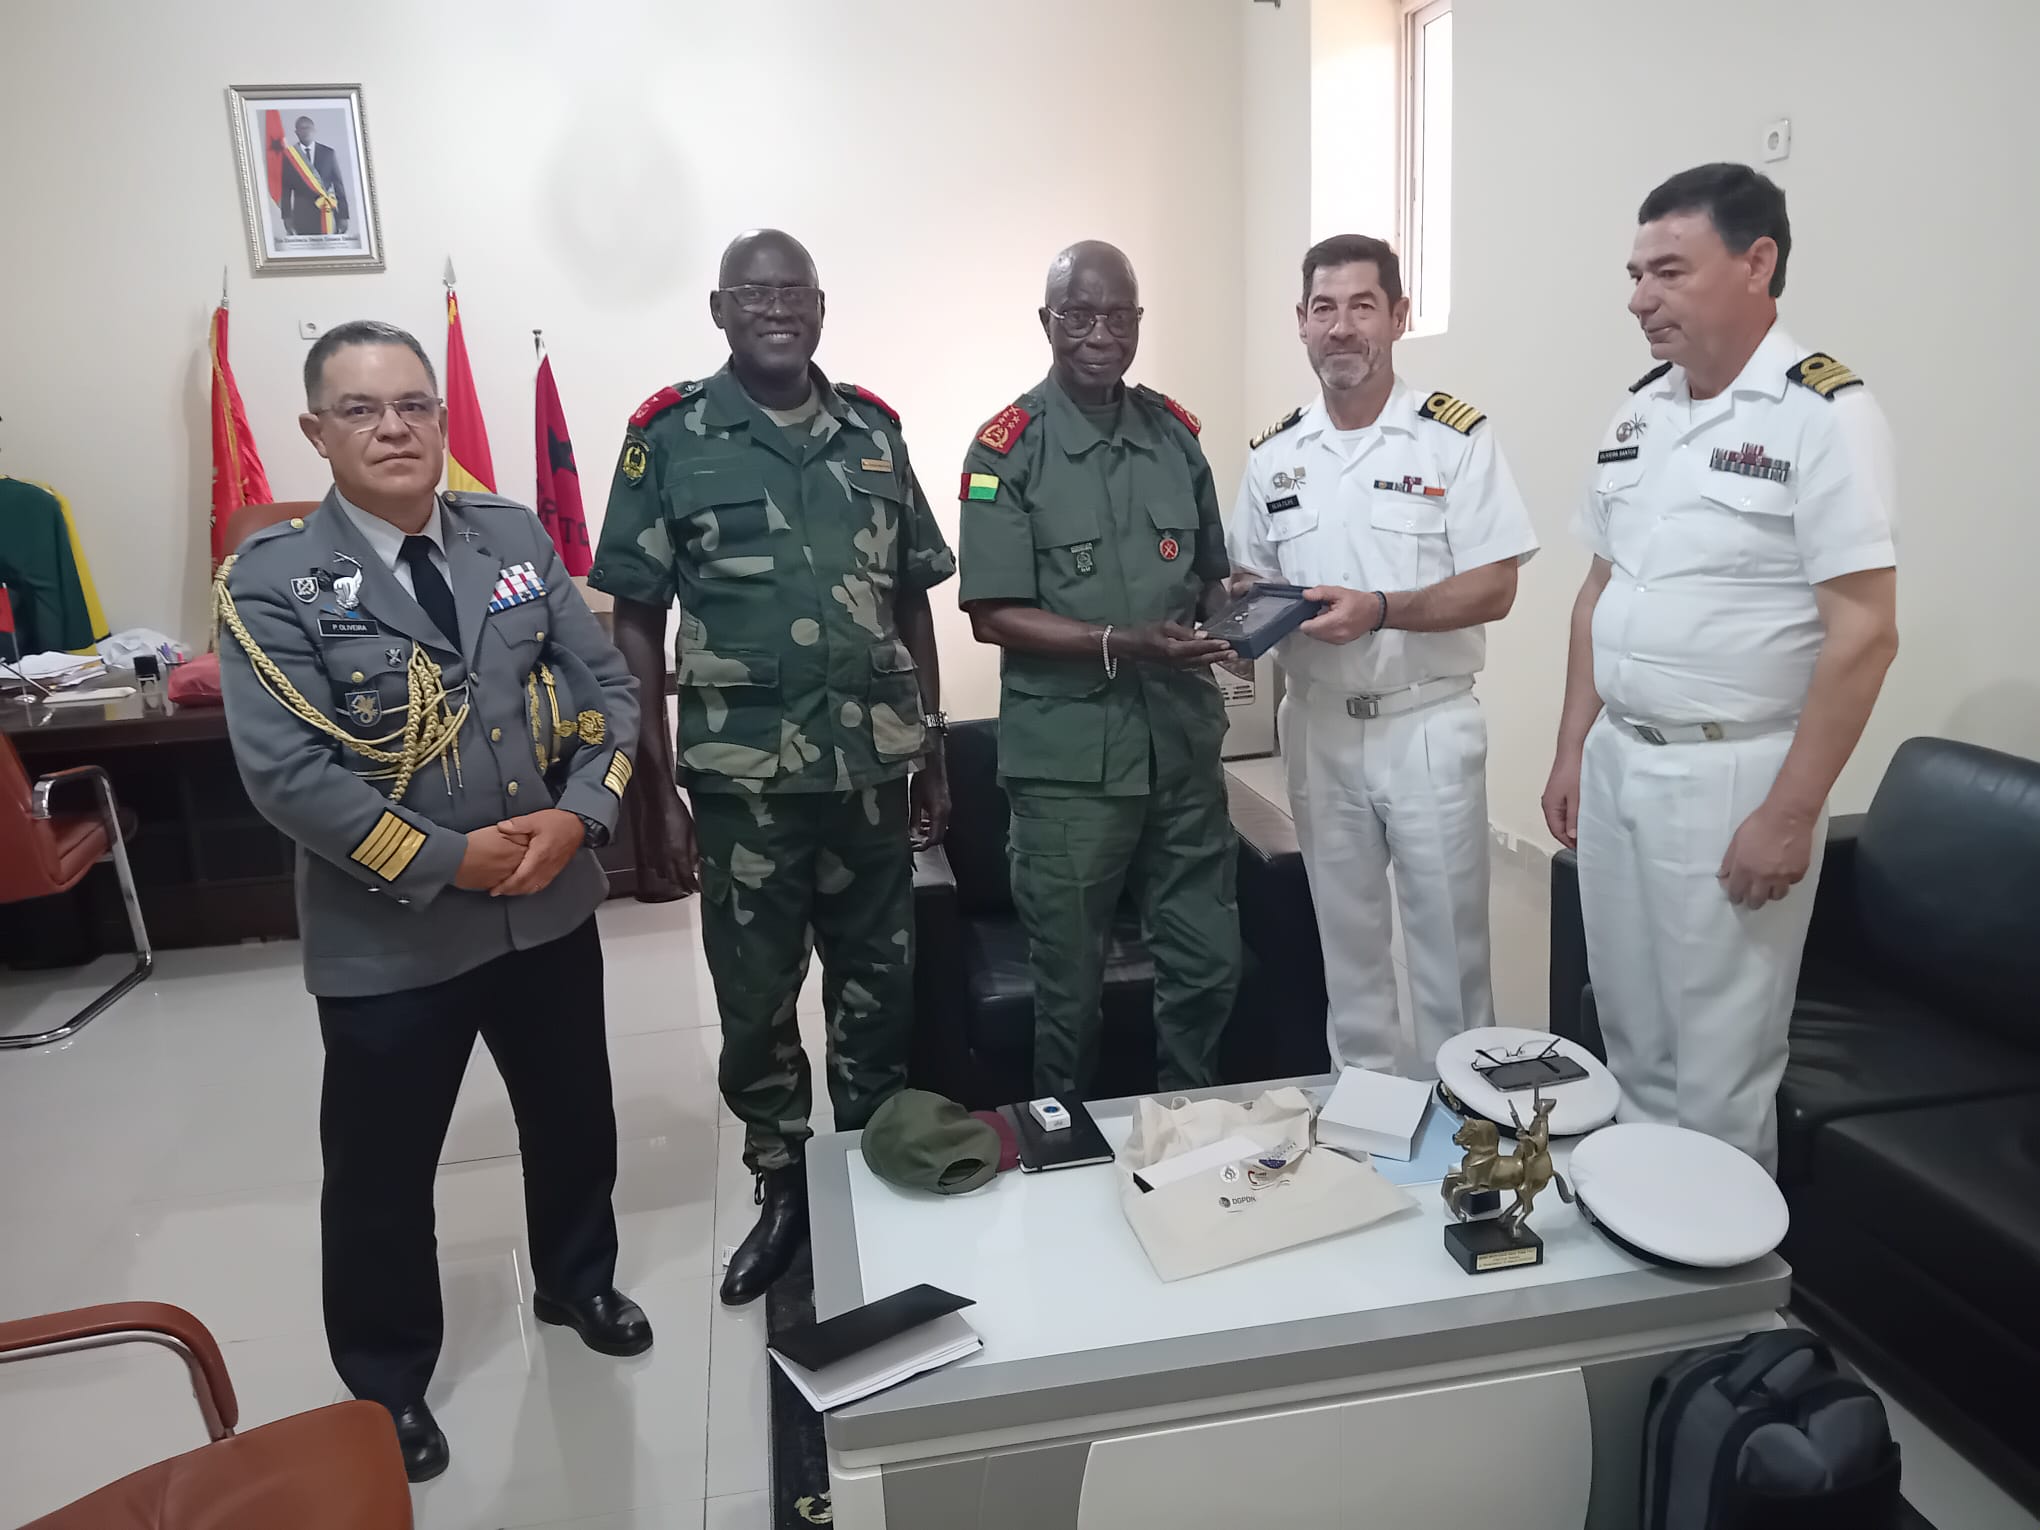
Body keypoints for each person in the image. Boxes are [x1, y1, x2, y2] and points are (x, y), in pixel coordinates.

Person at [215, 320, 650, 1482]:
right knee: (382, 1173)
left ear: (442, 421)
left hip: (548, 903)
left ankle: (577, 1279)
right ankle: (388, 1382)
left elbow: (607, 689)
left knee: (573, 1115)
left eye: (415, 405)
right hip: (391, 936)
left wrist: (582, 816)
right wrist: (448, 861)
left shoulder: (510, 539)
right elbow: (288, 777)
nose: (395, 427)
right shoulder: (272, 584)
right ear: (317, 432)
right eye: (361, 410)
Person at [590, 229, 954, 1306]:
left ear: (822, 306)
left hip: (868, 778)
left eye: (792, 292)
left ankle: (871, 1166)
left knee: (878, 987)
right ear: (719, 311)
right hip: (744, 783)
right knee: (755, 1002)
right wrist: (653, 788)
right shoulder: (673, 438)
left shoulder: (874, 436)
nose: (775, 310)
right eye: (753, 295)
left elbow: (912, 600)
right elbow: (635, 623)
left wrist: (928, 746)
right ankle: (783, 1182)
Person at [1541, 164, 1899, 1172]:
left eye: (1668, 272)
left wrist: (1790, 812)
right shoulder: (1640, 414)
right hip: (1621, 763)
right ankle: (1656, 1258)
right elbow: (1596, 593)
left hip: (1732, 773)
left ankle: (1732, 1302)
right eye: (1634, 273)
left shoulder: (1823, 416)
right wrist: (1574, 746)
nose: (1638, 298)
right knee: (1633, 1037)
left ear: (1758, 263)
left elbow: (1866, 633)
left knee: (1719, 1063)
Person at [1229, 235, 1539, 1077]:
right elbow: (1251, 585)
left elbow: (1495, 587)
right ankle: (1365, 1117)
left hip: (1425, 724)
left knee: (1449, 951)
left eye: (1362, 306)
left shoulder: (1452, 441)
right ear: (1300, 323)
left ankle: (1468, 1131)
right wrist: (1230, 617)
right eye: (1323, 309)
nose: (1341, 327)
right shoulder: (1274, 455)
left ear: (1398, 317)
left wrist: (1383, 612)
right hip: (1318, 727)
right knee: (1348, 943)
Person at [957, 240, 1241, 1098]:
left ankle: (1191, 1126)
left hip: (1181, 752)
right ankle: (1066, 1142)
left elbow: (1210, 578)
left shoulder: (1175, 437)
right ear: (1046, 322)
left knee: (1206, 963)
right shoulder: (1007, 450)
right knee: (1067, 984)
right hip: (1070, 767)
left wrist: (1242, 609)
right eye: (1077, 316)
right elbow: (992, 614)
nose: (1098, 335)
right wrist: (1124, 643)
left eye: (1118, 316)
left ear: (1139, 323)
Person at [280, 114, 350, 236]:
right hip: (301, 216)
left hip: (327, 212)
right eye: (301, 128)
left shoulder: (328, 153)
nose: (305, 131)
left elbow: (338, 185)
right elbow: (285, 190)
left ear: (314, 130)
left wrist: (344, 215)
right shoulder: (290, 156)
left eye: (308, 127)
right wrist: (286, 217)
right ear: (296, 132)